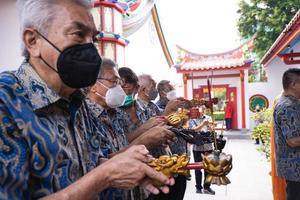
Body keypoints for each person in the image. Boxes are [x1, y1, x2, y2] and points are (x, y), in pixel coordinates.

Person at [0, 0, 174, 199]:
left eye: (94, 38)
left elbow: (94, 162)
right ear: (33, 41)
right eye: (78, 34)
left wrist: (130, 166)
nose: (91, 49)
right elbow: (100, 175)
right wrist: (105, 176)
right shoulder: (6, 101)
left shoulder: (77, 101)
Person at [273, 68, 300, 200]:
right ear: (293, 85)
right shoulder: (288, 106)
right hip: (295, 167)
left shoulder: (291, 103)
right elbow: (293, 140)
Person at [188, 107, 216, 195]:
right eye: (195, 110)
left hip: (208, 147)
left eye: (199, 110)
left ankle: (207, 187)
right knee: (198, 167)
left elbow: (213, 131)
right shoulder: (191, 119)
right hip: (197, 147)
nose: (198, 111)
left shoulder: (208, 118)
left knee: (208, 167)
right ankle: (198, 187)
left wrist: (208, 125)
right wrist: (203, 124)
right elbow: (193, 130)